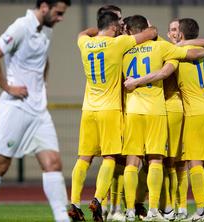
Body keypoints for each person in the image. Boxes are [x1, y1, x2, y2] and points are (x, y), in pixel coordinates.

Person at [0, 1, 71, 222]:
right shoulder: (21, 27)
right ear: (44, 7)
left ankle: (62, 218)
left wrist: (42, 85)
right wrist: (8, 87)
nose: (60, 18)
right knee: (1, 164)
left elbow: (44, 60)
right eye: (58, 13)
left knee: (53, 162)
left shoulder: (46, 31)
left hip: (39, 111)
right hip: (16, 107)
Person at [124, 18, 204, 222]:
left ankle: (192, 210)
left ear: (180, 34)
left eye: (175, 30)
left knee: (183, 162)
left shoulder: (175, 53)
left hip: (190, 112)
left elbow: (164, 72)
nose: (171, 33)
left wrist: (135, 82)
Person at [68, 11, 158, 222]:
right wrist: (149, 27)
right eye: (117, 24)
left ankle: (73, 202)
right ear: (111, 26)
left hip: (88, 109)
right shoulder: (118, 44)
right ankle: (98, 199)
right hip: (110, 110)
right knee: (109, 158)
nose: (119, 27)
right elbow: (151, 32)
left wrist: (97, 29)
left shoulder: (84, 43)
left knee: (83, 158)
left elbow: (83, 32)